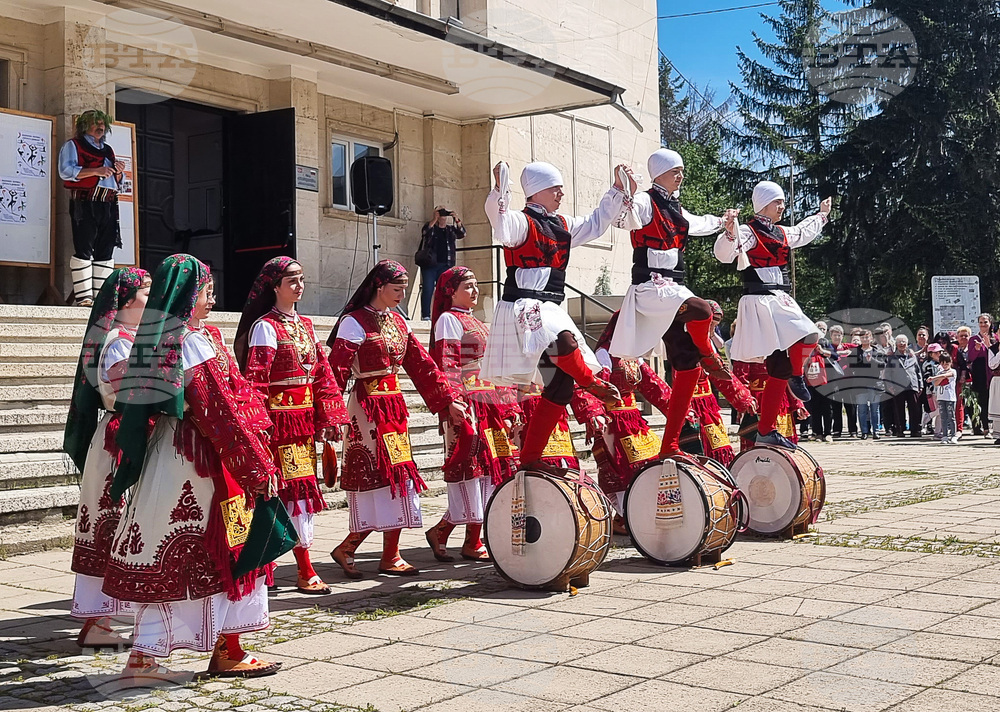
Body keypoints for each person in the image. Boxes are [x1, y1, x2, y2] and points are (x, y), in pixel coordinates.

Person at [103, 256, 281, 681]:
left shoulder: (157, 336)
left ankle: (151, 655)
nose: (213, 300)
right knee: (225, 549)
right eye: (207, 291)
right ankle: (222, 650)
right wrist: (256, 465)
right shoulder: (188, 340)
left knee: (176, 553)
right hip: (203, 459)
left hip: (170, 454)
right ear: (189, 294)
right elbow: (216, 409)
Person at [480, 160, 625, 472]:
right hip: (525, 306)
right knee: (562, 338)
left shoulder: (563, 224)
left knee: (560, 387)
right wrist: (499, 189)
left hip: (551, 307)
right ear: (536, 191)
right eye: (554, 187)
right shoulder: (520, 221)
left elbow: (597, 223)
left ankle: (529, 459)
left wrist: (616, 190)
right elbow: (502, 225)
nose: (561, 192)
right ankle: (592, 383)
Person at [326, 260, 466, 578]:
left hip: (394, 410)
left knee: (401, 480)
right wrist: (330, 417)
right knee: (375, 479)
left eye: (405, 289)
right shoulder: (354, 322)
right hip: (366, 410)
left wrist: (448, 400)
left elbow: (422, 365)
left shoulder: (398, 323)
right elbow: (334, 372)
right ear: (379, 286)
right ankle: (349, 546)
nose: (402, 294)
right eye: (396, 288)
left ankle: (390, 554)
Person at [610, 149, 735, 463]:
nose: (680, 175)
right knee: (703, 311)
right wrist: (625, 191)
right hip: (651, 286)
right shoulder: (646, 201)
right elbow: (626, 217)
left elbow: (697, 223)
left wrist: (722, 222)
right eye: (674, 170)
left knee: (686, 365)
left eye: (681, 170)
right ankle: (710, 354)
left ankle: (671, 444)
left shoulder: (676, 207)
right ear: (659, 173)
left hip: (673, 287)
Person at [235, 257, 348, 595]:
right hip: (278, 424)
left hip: (303, 423)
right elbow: (256, 380)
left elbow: (323, 375)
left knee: (299, 494)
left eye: (301, 279)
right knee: (284, 494)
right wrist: (258, 426)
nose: (299, 286)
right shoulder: (265, 328)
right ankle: (298, 568)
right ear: (274, 287)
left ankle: (293, 566)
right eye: (292, 281)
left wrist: (329, 417)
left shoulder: (307, 325)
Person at [64, 266, 149, 648]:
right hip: (119, 438)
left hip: (136, 435)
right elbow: (126, 391)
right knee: (109, 525)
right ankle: (95, 620)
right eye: (148, 291)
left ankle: (122, 610)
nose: (154, 298)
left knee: (128, 524)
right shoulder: (116, 340)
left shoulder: (137, 337)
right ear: (128, 300)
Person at [715, 181, 833, 448]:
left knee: (803, 341)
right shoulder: (747, 231)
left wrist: (821, 215)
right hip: (759, 299)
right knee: (806, 333)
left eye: (782, 201)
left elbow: (803, 232)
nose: (782, 206)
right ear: (764, 204)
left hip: (778, 298)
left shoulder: (780, 231)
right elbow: (723, 254)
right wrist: (729, 232)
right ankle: (794, 376)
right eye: (778, 202)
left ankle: (768, 426)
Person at [424, 266, 519, 562]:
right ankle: (445, 530)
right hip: (468, 404)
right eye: (467, 286)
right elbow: (447, 363)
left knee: (490, 469)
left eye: (476, 285)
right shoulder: (449, 320)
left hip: (490, 403)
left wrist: (510, 406)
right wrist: (454, 401)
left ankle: (469, 539)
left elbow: (496, 371)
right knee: (470, 467)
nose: (475, 291)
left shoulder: (480, 323)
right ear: (450, 291)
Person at [589, 311, 673, 529]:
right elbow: (595, 386)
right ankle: (625, 515)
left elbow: (653, 386)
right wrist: (596, 414)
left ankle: (637, 512)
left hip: (634, 419)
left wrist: (677, 409)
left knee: (650, 461)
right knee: (623, 467)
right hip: (612, 420)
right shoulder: (604, 354)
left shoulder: (634, 358)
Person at [58, 110, 126, 307]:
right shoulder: (74, 145)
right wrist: (96, 171)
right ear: (84, 126)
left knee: (106, 249)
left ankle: (102, 299)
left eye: (103, 123)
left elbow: (114, 180)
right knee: (84, 247)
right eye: (95, 123)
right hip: (85, 202)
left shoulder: (108, 150)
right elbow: (66, 171)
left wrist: (119, 173)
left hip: (108, 203)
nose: (100, 127)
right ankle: (84, 298)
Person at [689, 302, 756, 465]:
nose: (712, 331)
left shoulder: (706, 343)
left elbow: (721, 375)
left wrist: (744, 399)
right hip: (690, 406)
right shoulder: (684, 342)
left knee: (720, 449)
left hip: (707, 405)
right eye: (710, 325)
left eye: (715, 326)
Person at [419, 206, 466, 320]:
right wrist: (435, 218)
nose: (443, 216)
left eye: (445, 214)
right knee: (428, 289)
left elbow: (462, 234)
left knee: (445, 291)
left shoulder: (450, 230)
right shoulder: (432, 227)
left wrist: (456, 219)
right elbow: (425, 231)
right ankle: (426, 315)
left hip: (446, 265)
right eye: (441, 213)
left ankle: (443, 314)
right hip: (430, 265)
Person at [885, 334, 922, 437]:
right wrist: (889, 386)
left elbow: (918, 371)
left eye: (903, 342)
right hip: (898, 386)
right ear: (896, 344)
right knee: (899, 409)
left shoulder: (912, 355)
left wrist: (920, 385)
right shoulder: (891, 357)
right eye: (899, 342)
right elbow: (887, 373)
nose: (901, 344)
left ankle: (915, 430)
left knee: (914, 409)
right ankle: (900, 430)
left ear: (907, 344)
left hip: (912, 385)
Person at [851, 330, 883, 440]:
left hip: (874, 383)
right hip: (860, 384)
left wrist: (871, 360)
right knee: (862, 409)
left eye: (867, 337)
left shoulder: (877, 350)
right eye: (862, 337)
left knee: (875, 409)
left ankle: (876, 431)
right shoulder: (856, 351)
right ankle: (864, 431)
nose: (865, 339)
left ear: (871, 338)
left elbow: (882, 365)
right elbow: (852, 366)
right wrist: (863, 360)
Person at [968, 314, 996, 436]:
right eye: (981, 322)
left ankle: (996, 428)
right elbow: (970, 357)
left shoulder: (996, 338)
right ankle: (985, 428)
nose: (983, 324)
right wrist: (977, 348)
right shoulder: (973, 339)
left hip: (994, 373)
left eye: (985, 322)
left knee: (995, 401)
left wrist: (990, 345)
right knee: (983, 401)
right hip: (980, 374)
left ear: (990, 323)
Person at [930, 351, 958, 443]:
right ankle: (945, 436)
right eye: (943, 363)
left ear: (950, 362)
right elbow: (937, 383)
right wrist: (938, 378)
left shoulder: (953, 371)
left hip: (950, 398)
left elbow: (947, 375)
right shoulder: (939, 372)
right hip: (941, 397)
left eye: (947, 363)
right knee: (943, 417)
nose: (945, 365)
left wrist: (935, 377)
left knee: (951, 417)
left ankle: (953, 435)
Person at [987, 338, 1000, 444]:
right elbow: (992, 365)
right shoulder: (993, 349)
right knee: (997, 406)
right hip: (998, 380)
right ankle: (998, 434)